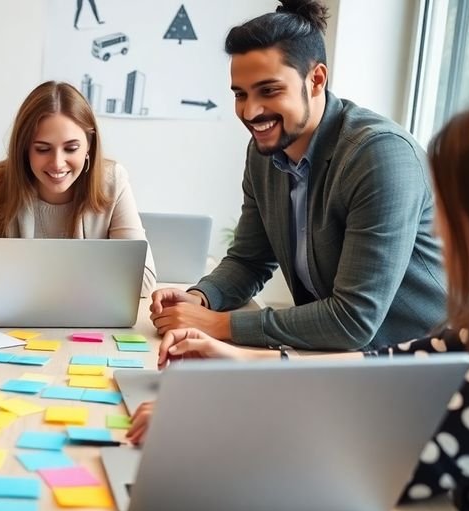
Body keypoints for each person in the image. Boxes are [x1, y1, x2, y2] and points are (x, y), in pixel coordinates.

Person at [131, 79, 469, 510]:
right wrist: (241, 362)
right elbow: (390, 363)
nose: (438, 224)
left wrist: (208, 422)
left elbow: (390, 463)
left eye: (450, 202)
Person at [149, 0, 447, 351]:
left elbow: (352, 320)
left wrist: (219, 324)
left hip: (423, 365)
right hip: (339, 360)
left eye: (269, 90)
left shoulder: (380, 155)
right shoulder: (265, 152)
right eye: (240, 94)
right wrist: (201, 298)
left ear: (316, 79)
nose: (250, 111)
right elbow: (249, 259)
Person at [0, 81, 156, 296]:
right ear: (25, 149)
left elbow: (144, 278)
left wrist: (49, 289)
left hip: (87, 320)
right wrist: (38, 290)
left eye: (71, 148)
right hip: (16, 318)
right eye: (43, 149)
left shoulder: (113, 180)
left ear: (89, 146)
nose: (57, 163)